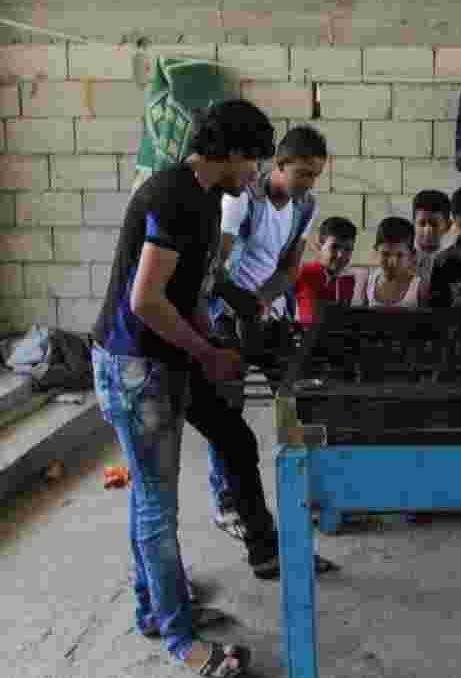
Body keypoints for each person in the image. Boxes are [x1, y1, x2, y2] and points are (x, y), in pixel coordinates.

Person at [90, 99, 273, 677]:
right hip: (134, 367)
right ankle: (180, 639)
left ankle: (153, 608)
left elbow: (185, 292)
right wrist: (206, 353)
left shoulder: (201, 196)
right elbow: (145, 300)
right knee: (156, 510)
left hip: (153, 362)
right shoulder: (174, 196)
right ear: (235, 150)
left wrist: (211, 345)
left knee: (149, 500)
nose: (255, 176)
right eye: (254, 162)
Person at [204, 124, 327, 537]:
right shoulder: (241, 198)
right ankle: (226, 502)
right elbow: (215, 271)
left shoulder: (306, 206)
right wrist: (242, 306)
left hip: (270, 314)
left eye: (316, 175)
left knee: (295, 403)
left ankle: (305, 492)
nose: (309, 183)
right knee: (229, 417)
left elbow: (290, 267)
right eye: (304, 173)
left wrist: (263, 299)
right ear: (280, 164)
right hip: (227, 316)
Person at [295, 216, 366, 326]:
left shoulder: (353, 281)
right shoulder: (302, 273)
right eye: (334, 247)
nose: (340, 255)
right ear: (319, 245)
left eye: (347, 249)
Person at [365, 216, 423, 308]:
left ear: (412, 255)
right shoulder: (368, 283)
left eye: (399, 255)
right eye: (385, 254)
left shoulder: (419, 287)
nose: (392, 262)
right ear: (376, 252)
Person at [412, 189, 453, 287]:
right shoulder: (400, 258)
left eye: (434, 224)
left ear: (448, 226)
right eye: (422, 223)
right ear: (413, 223)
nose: (427, 230)